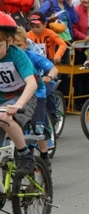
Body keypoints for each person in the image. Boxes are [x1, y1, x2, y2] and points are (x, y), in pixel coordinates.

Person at [0, 12, 41, 176]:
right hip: (3, 99)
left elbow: (31, 83)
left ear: (9, 41)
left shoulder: (17, 55)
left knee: (4, 118)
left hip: (24, 96)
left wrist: (18, 105)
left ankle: (25, 154)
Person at [13, 26, 58, 171]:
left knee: (39, 127)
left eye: (19, 45)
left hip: (37, 95)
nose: (16, 49)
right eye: (13, 46)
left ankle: (44, 155)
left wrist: (49, 77)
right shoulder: (9, 58)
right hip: (18, 96)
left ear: (26, 44)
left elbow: (53, 69)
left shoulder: (33, 57)